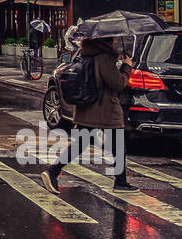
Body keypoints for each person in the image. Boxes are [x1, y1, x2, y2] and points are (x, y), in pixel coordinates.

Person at [41, 35, 135, 194]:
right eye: (113, 40)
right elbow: (117, 83)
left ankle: (53, 172)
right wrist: (126, 67)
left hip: (86, 108)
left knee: (82, 143)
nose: (115, 42)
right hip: (104, 110)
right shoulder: (104, 57)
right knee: (118, 145)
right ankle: (121, 183)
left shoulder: (86, 54)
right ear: (106, 41)